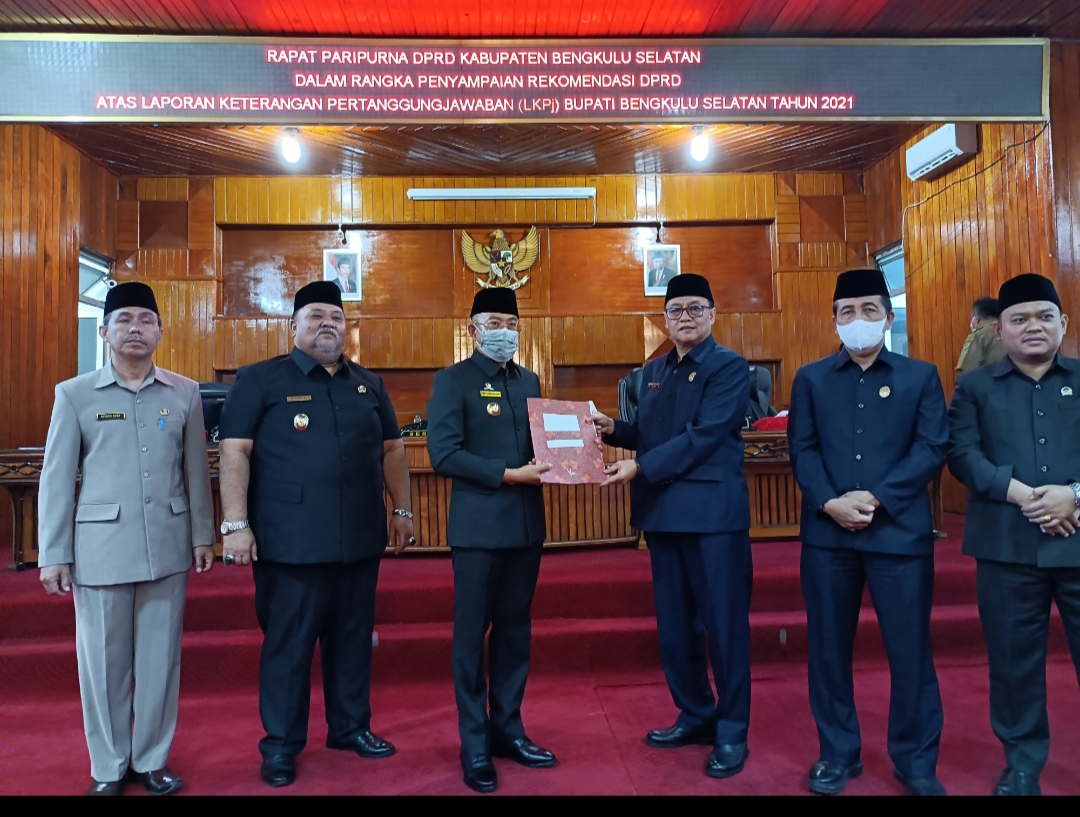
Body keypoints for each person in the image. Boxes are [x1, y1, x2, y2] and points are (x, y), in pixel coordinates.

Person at [216, 280, 414, 788]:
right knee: (290, 646)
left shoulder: (368, 383)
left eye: (336, 317)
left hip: (360, 537)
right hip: (291, 543)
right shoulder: (260, 380)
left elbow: (394, 450)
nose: (328, 324)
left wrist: (404, 511)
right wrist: (235, 525)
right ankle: (281, 745)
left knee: (352, 641)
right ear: (293, 326)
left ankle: (350, 727)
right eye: (315, 316)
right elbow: (234, 451)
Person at [37, 281, 215, 796]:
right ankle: (109, 766)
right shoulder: (73, 394)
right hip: (100, 551)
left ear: (160, 330)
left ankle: (151, 759)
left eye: (145, 319)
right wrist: (53, 553)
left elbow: (194, 469)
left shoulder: (183, 392)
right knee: (103, 665)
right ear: (104, 330)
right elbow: (56, 478)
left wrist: (203, 535)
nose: (135, 328)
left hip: (168, 544)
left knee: (160, 664)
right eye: (124, 320)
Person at [787, 268, 948, 796]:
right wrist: (831, 501)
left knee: (910, 653)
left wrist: (876, 498)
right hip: (829, 537)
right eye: (848, 312)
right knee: (829, 652)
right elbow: (803, 449)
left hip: (898, 536)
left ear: (888, 316)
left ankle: (915, 761)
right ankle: (837, 753)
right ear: (834, 319)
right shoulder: (810, 379)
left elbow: (930, 448)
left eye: (870, 310)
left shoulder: (920, 377)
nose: (859, 321)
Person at [591, 273, 753, 780]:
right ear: (665, 318)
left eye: (694, 308)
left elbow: (703, 436)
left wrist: (640, 466)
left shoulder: (730, 368)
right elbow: (650, 433)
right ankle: (696, 714)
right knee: (676, 628)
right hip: (663, 517)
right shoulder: (654, 370)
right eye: (675, 310)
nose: (684, 317)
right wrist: (612, 429)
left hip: (712, 520)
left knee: (724, 628)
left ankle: (731, 731)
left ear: (712, 314)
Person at [947, 273, 1080, 796]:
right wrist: (1025, 494)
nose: (1033, 327)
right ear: (997, 331)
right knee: (1012, 663)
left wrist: (1074, 495)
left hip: (1078, 539)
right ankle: (1022, 765)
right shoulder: (974, 387)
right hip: (1006, 545)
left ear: (1062, 324)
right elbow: (961, 454)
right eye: (1019, 319)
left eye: (1044, 317)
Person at [426, 286, 555, 794]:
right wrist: (507, 475)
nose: (504, 330)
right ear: (474, 329)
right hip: (479, 532)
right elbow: (444, 454)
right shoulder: (452, 381)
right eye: (493, 322)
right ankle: (474, 743)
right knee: (470, 638)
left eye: (511, 322)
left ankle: (509, 729)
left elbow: (547, 443)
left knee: (515, 634)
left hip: (526, 529)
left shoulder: (530, 381)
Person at [956, 296, 1005, 373]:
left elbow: (966, 372)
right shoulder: (1009, 332)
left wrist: (974, 333)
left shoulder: (978, 336)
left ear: (976, 318)